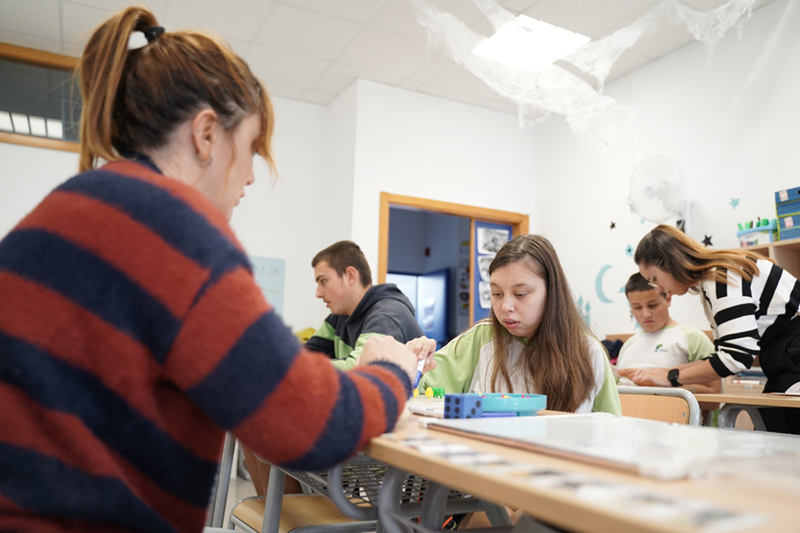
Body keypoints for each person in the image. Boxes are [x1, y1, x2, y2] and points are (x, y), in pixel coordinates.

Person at [0, 8, 423, 533]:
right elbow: (305, 424)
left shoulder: (63, 207)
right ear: (205, 134)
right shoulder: (177, 229)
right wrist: (391, 373)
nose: (250, 176)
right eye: (250, 149)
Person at [623, 224, 800, 434]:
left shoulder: (720, 278)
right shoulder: (714, 278)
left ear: (669, 264)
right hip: (783, 358)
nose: (658, 288)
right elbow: (729, 353)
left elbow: (736, 357)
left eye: (654, 279)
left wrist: (670, 377)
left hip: (793, 355)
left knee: (780, 438)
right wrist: (665, 373)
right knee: (769, 431)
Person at [416, 234, 621, 415]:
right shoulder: (480, 339)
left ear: (551, 292)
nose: (505, 306)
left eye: (520, 294)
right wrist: (412, 363)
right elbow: (420, 390)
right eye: (496, 294)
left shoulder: (589, 352)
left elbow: (611, 431)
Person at [305, 240, 424, 370]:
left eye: (323, 281)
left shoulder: (386, 315)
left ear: (350, 276)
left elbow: (363, 369)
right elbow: (302, 357)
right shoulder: (339, 316)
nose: (318, 293)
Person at [615, 273, 720, 394]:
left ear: (668, 299)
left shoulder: (693, 338)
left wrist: (660, 383)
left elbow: (714, 393)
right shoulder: (629, 344)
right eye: (637, 307)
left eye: (653, 305)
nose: (646, 314)